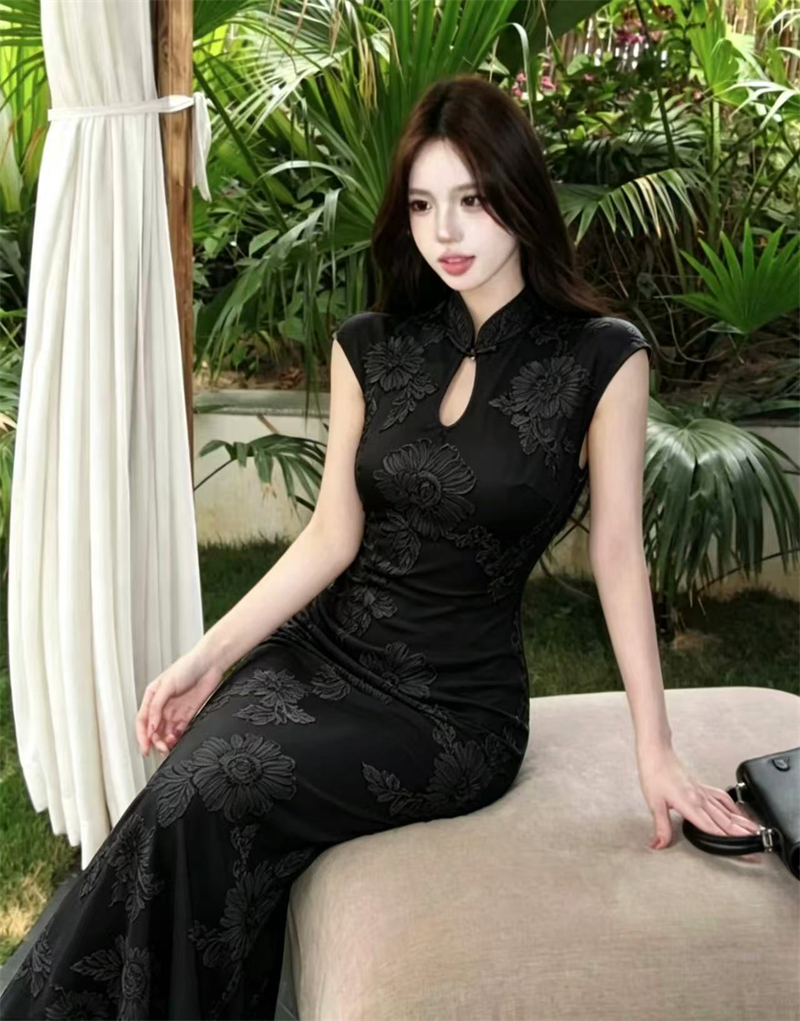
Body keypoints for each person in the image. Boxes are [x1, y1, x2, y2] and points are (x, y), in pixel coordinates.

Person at [1, 72, 761, 1021]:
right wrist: (208, 657)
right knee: (184, 792)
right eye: (423, 205)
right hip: (323, 651)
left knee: (216, 788)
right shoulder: (372, 343)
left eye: (473, 200)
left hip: (452, 708)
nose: (447, 232)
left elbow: (617, 553)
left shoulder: (603, 357)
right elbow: (331, 534)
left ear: (520, 195)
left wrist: (658, 750)